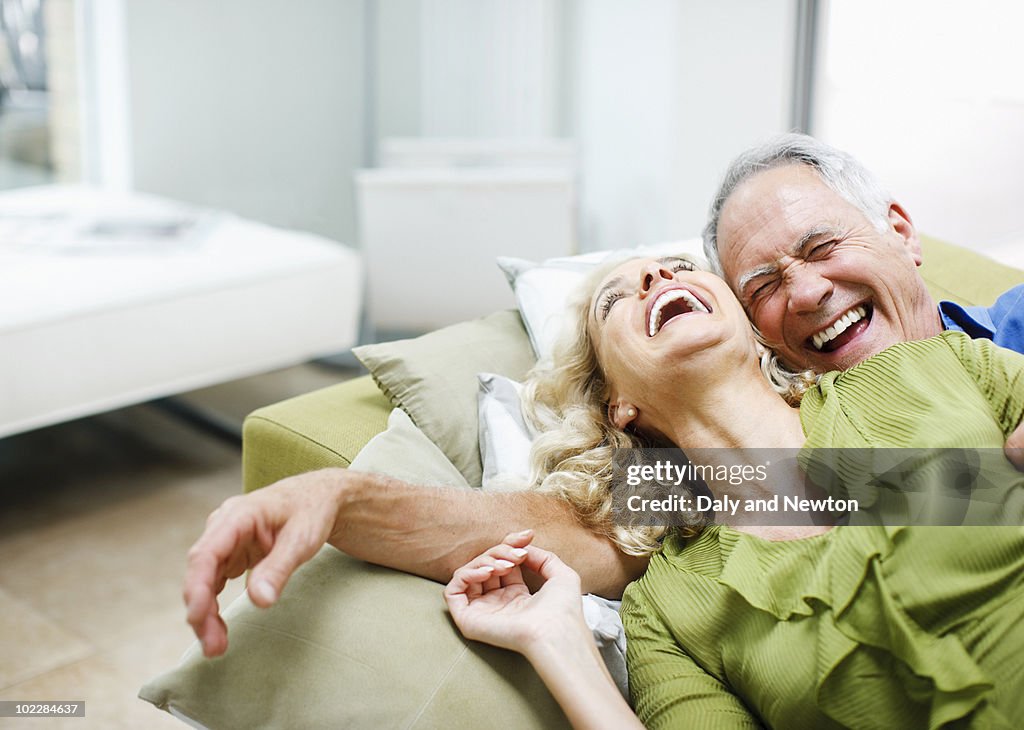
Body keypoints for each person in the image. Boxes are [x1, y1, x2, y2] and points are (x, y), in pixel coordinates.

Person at [183, 134, 1024, 658]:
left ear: (903, 235)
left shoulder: (993, 349)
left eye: (824, 245)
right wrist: (339, 495)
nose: (804, 293)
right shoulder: (711, 485)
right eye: (762, 282)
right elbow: (567, 525)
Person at [445, 254, 1024, 729]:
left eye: (678, 266)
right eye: (614, 301)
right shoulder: (665, 614)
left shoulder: (932, 370)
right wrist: (557, 640)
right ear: (616, 403)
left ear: (755, 334)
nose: (658, 278)